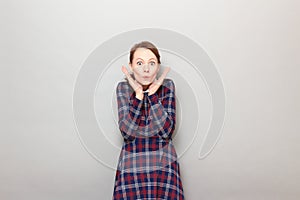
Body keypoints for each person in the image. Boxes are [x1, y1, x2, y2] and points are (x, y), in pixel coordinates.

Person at [112, 41, 184, 199]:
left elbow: (166, 132)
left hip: (163, 165)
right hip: (131, 165)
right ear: (131, 66)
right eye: (139, 63)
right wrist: (138, 95)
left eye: (152, 63)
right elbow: (128, 133)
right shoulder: (123, 89)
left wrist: (152, 95)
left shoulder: (167, 87)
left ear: (158, 67)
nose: (146, 69)